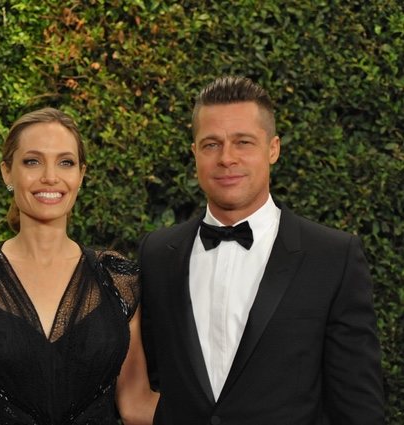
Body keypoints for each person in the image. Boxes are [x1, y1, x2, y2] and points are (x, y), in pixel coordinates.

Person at [139, 76, 385, 424]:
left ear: (273, 148)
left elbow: (358, 408)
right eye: (211, 144)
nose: (226, 158)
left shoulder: (332, 257)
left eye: (243, 142)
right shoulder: (157, 254)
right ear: (194, 153)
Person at [0, 107, 157, 424]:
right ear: (6, 172)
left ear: (81, 175)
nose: (50, 176)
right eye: (32, 161)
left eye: (65, 162)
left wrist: (228, 408)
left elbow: (136, 404)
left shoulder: (118, 276)